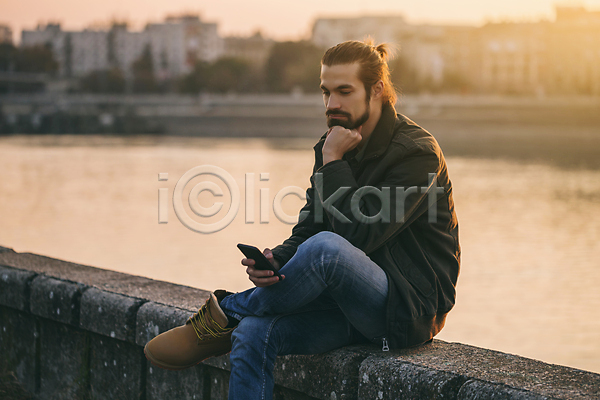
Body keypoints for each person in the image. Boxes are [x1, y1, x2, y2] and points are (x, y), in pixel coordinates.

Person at [144, 39, 460, 399]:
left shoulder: (416, 153)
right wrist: (277, 260)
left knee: (327, 249)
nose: (331, 104)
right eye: (325, 92)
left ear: (377, 91)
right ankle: (232, 321)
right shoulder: (334, 145)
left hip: (403, 309)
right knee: (250, 333)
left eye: (344, 91)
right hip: (342, 306)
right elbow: (311, 227)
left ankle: (226, 311)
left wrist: (334, 161)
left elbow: (360, 234)